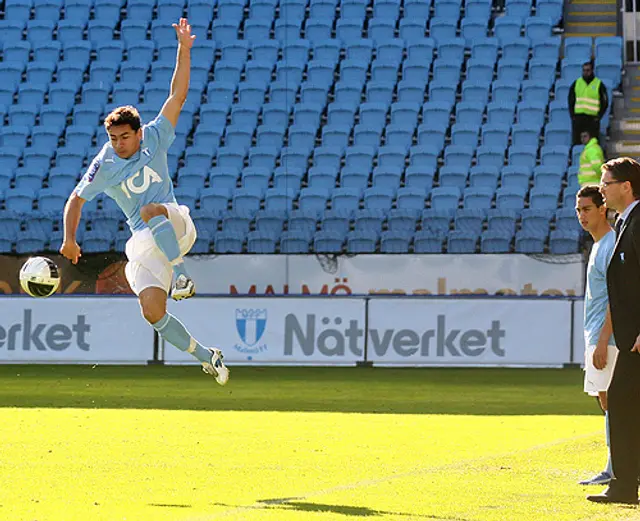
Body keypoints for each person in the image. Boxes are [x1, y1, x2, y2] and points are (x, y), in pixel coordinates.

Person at [59, 18, 229, 386]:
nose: (118, 144)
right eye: (113, 137)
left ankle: (182, 274)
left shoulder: (155, 135)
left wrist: (184, 49)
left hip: (176, 224)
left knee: (151, 210)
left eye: (124, 137)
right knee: (152, 311)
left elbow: (177, 96)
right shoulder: (104, 163)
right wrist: (69, 239)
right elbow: (76, 199)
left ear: (138, 133)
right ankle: (207, 356)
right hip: (144, 240)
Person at [587, 157, 640, 505]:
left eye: (607, 183)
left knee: (621, 405)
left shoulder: (638, 222)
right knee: (622, 405)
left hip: (636, 339)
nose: (602, 188)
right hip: (629, 338)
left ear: (626, 186)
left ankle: (623, 485)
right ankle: (624, 484)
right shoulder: (625, 222)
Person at [575, 185, 617, 486]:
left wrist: (603, 339)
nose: (581, 216)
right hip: (597, 334)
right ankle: (616, 465)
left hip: (609, 339)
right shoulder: (599, 244)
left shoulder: (612, 243)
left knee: (612, 401)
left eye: (587, 209)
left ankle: (616, 468)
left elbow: (618, 297)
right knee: (606, 400)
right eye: (578, 210)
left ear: (603, 208)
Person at [568, 61, 609, 146]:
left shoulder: (599, 84)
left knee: (592, 144)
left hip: (592, 119)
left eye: (588, 70)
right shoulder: (576, 83)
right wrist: (573, 117)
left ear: (592, 71)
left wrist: (598, 116)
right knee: (577, 144)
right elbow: (571, 101)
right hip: (579, 119)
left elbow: (604, 102)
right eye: (584, 70)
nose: (586, 72)